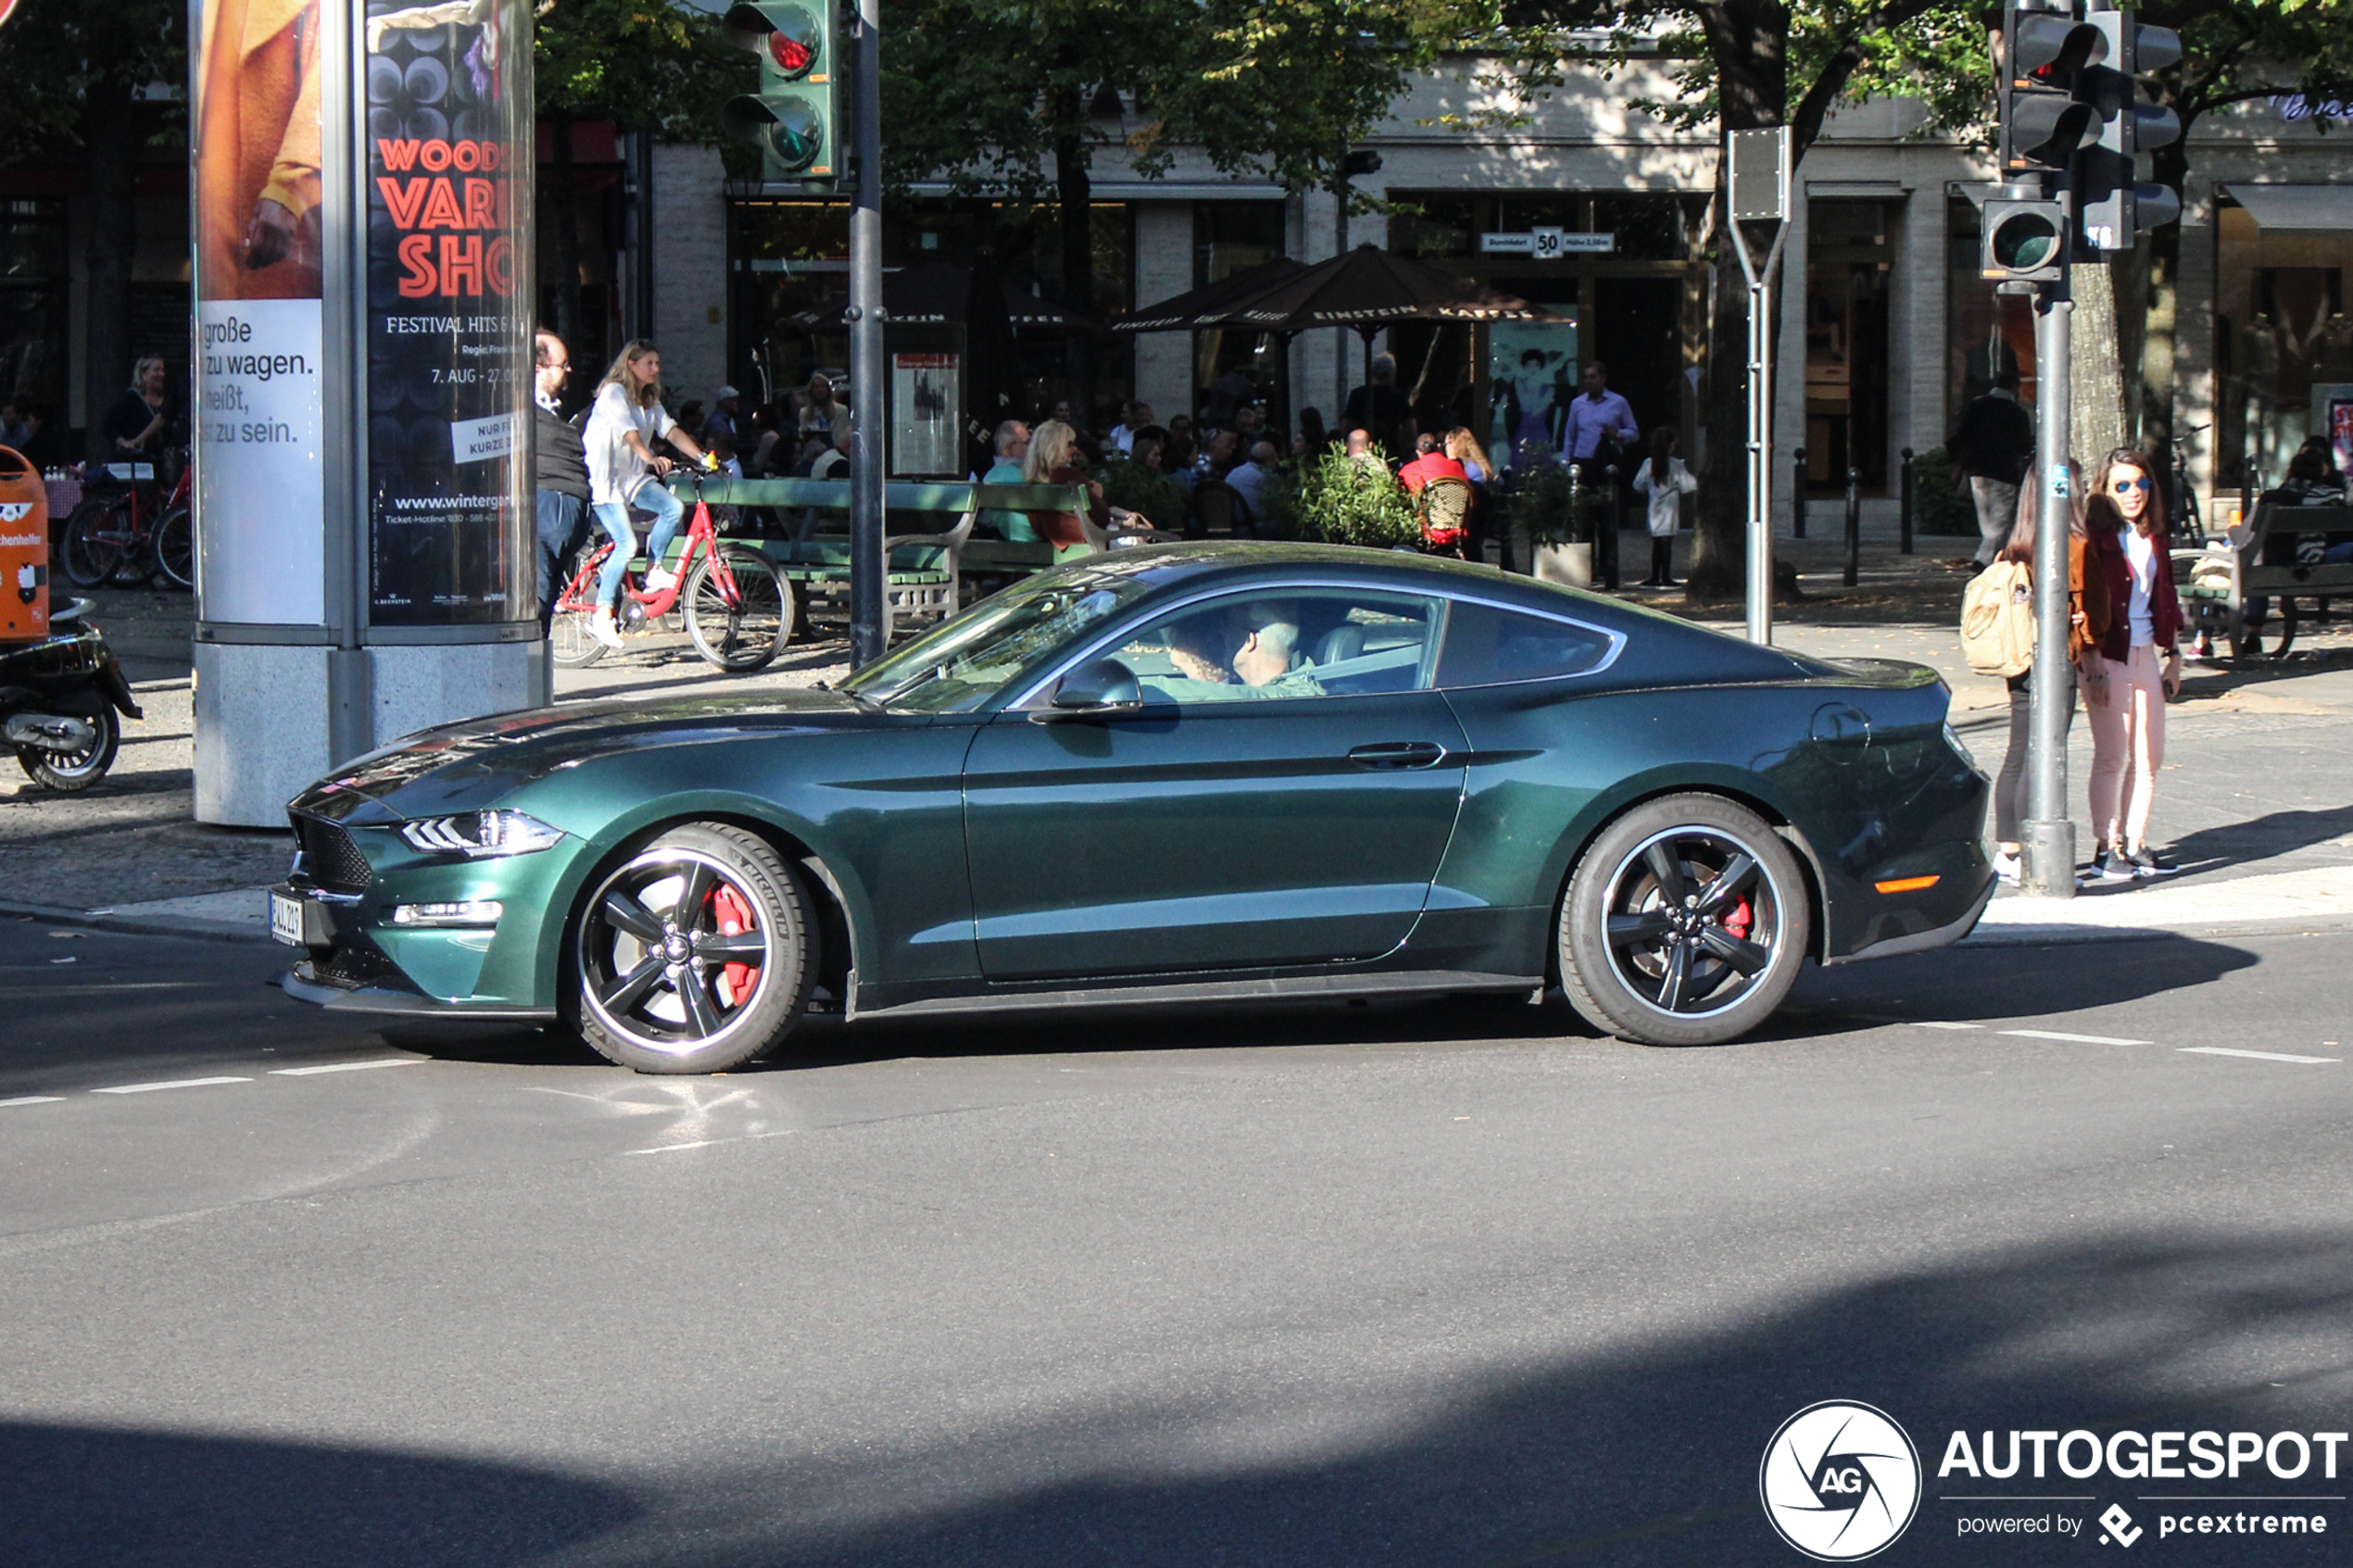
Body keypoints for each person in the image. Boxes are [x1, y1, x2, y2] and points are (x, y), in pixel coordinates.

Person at [1987, 476, 2110, 886]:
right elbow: (2098, 611)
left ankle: (2008, 851)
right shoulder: (2073, 545)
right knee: (2044, 754)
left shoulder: (2014, 545)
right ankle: (2032, 853)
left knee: (2019, 750)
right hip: (2055, 657)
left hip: (2018, 654)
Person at [2083, 447, 2186, 882]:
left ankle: (2136, 841)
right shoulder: (2094, 538)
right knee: (2113, 755)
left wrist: (2175, 656)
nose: (2133, 493)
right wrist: (2091, 660)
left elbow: (2166, 594)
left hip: (2146, 651)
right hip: (2108, 653)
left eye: (2141, 484)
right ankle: (2107, 848)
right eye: (2121, 485)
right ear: (2105, 491)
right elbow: (2081, 602)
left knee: (2150, 755)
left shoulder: (2153, 535)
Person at [583, 340, 707, 650]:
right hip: (605, 480)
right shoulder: (614, 392)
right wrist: (650, 457)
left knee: (672, 508)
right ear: (631, 365)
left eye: (657, 363)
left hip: (632, 478)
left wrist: (703, 457)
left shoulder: (649, 399)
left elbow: (672, 431)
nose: (656, 369)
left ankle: (654, 570)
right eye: (649, 363)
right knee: (626, 545)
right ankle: (601, 614)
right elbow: (629, 433)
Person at [1147, 601, 1327, 702]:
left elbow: (1195, 695)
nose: (1222, 634)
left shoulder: (1283, 699)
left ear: (1249, 640)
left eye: (1228, 627)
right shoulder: (1294, 690)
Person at [531, 329, 590, 632]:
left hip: (564, 507)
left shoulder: (548, 411)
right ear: (537, 369)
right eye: (562, 364)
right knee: (536, 597)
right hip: (545, 504)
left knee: (546, 595)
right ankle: (525, 672)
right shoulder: (520, 408)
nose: (569, 370)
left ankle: (535, 671)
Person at [1950, 370, 2036, 569]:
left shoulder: (1976, 406)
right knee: (2000, 520)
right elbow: (2023, 446)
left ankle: (1996, 559)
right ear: (2015, 387)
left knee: (1986, 520)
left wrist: (1959, 466)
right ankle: (1984, 559)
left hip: (1977, 470)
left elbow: (1962, 436)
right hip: (2003, 471)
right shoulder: (2017, 412)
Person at [1021, 419, 1109, 557]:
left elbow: (1037, 526)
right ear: (1055, 447)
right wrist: (1098, 496)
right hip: (1087, 546)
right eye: (1070, 444)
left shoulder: (1032, 482)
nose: (1075, 449)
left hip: (1052, 548)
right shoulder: (1068, 476)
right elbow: (1102, 518)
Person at [1630, 427, 1699, 588]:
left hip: (1654, 506)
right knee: (1667, 543)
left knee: (1657, 543)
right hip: (1670, 506)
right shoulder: (1676, 465)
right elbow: (1690, 485)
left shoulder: (1649, 463)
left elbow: (1637, 484)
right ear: (1671, 444)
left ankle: (1655, 576)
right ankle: (1666, 577)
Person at [1559, 360, 1638, 477]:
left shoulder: (1618, 402)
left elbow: (1634, 433)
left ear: (1603, 378)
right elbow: (1570, 436)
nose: (1588, 381)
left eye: (1592, 377)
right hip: (1582, 461)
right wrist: (1565, 463)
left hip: (1608, 462)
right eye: (1586, 377)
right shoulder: (1577, 404)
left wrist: (1617, 434)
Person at [100, 356, 177, 458]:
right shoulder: (130, 398)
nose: (161, 374)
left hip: (161, 462)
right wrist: (124, 443)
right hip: (137, 461)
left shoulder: (168, 400)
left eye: (162, 370)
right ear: (143, 374)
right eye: (156, 370)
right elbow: (108, 425)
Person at [1342, 353, 1416, 459]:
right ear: (1392, 374)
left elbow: (1347, 425)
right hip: (1390, 452)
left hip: (1362, 451)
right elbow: (1410, 429)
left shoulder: (1358, 394)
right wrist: (1403, 451)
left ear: (1372, 372)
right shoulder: (1398, 397)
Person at [979, 420, 1037, 542]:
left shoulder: (990, 477)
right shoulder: (1027, 476)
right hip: (1039, 544)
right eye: (1028, 443)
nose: (1032, 448)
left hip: (1007, 545)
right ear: (1011, 447)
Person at [1226, 440, 1280, 533]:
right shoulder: (1266, 475)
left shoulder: (1234, 471)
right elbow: (1279, 505)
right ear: (1270, 460)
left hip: (1231, 527)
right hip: (1252, 527)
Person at [1398, 432, 1467, 495]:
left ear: (1418, 452)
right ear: (1438, 447)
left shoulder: (1411, 469)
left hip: (1428, 508)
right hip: (1458, 507)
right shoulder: (1457, 465)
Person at [801, 374, 848, 438]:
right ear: (811, 391)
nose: (820, 390)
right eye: (817, 387)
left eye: (823, 386)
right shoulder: (804, 413)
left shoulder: (842, 410)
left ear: (828, 390)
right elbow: (803, 436)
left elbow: (846, 436)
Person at [699, 385, 741, 449]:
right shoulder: (716, 422)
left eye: (736, 400)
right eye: (732, 400)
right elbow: (722, 445)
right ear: (723, 402)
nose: (736, 403)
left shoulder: (729, 419)